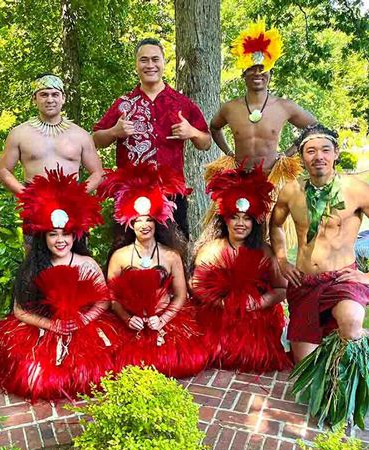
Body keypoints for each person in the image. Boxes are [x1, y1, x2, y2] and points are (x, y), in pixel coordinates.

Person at [0, 168, 120, 402]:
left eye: (66, 234)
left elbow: (104, 300)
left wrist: (84, 319)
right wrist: (51, 325)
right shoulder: (34, 267)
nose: (60, 240)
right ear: (44, 238)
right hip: (45, 327)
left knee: (93, 375)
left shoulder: (87, 264)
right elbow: (19, 310)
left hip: (83, 325)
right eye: (53, 234)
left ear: (74, 236)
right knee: (35, 378)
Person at [270, 123, 369, 428]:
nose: (319, 156)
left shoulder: (356, 190)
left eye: (325, 149)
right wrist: (282, 259)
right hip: (304, 283)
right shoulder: (291, 191)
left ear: (336, 153)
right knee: (304, 366)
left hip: (343, 279)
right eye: (310, 151)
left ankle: (347, 392)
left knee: (352, 324)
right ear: (302, 158)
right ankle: (326, 373)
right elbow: (274, 225)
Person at [206, 21, 316, 247]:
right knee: (236, 235)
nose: (257, 73)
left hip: (272, 179)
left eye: (262, 69)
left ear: (270, 74)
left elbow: (313, 127)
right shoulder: (230, 108)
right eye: (252, 69)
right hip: (240, 179)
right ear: (243, 75)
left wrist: (288, 153)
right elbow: (214, 127)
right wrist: (228, 153)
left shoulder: (284, 106)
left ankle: (275, 276)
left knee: (271, 234)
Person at [93, 38, 212, 238]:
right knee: (127, 254)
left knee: (175, 252)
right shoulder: (124, 104)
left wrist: (192, 132)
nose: (150, 65)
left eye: (155, 59)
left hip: (171, 193)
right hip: (130, 193)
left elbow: (206, 142)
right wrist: (115, 131)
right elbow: (96, 139)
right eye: (144, 60)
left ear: (164, 62)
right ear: (136, 64)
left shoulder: (182, 103)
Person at [100, 162, 208, 378]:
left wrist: (164, 319)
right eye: (137, 220)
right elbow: (112, 297)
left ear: (157, 221)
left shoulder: (170, 255)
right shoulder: (120, 256)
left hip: (165, 318)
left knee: (179, 363)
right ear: (129, 224)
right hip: (130, 322)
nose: (144, 225)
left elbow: (180, 295)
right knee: (121, 365)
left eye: (148, 219)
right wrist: (126, 318)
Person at [191, 164, 291, 373]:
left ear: (254, 222)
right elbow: (196, 286)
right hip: (218, 315)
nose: (240, 223)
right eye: (234, 217)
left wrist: (258, 302)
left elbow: (282, 289)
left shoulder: (265, 251)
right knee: (213, 355)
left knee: (256, 358)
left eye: (246, 218)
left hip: (256, 316)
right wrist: (222, 303)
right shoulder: (211, 250)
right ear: (224, 219)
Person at [0, 74, 103, 195]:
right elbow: (3, 170)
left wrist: (77, 196)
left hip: (71, 203)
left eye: (55, 94)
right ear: (34, 99)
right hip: (35, 203)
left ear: (63, 98)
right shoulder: (19, 134)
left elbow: (98, 173)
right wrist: (26, 196)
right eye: (44, 95)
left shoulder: (81, 135)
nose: (50, 100)